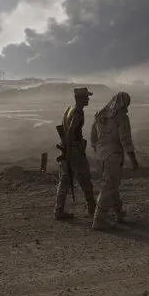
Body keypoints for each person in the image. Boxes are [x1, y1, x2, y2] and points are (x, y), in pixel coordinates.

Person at [90, 91, 139, 230]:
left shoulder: (100, 114)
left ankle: (119, 213)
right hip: (114, 155)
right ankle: (98, 220)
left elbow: (93, 138)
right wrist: (133, 158)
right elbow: (125, 139)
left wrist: (98, 151)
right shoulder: (121, 117)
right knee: (108, 187)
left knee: (112, 185)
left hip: (100, 156)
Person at [54, 87, 97, 220]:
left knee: (64, 180)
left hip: (67, 148)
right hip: (74, 150)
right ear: (80, 99)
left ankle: (58, 210)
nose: (88, 99)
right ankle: (93, 209)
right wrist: (69, 150)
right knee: (84, 178)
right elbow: (72, 129)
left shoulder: (69, 109)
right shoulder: (78, 112)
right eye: (86, 97)